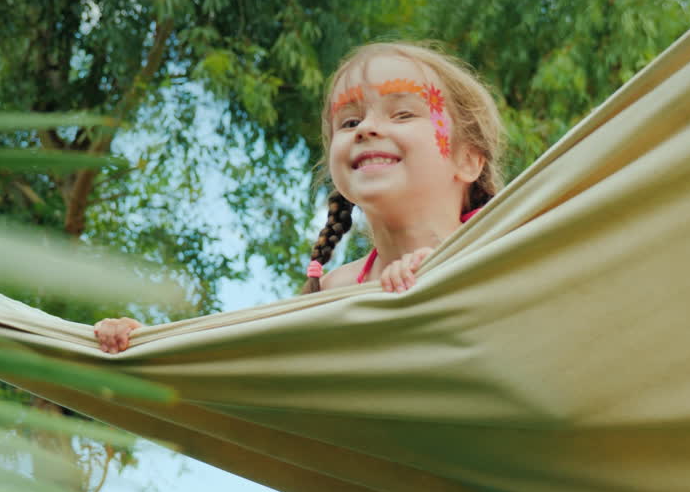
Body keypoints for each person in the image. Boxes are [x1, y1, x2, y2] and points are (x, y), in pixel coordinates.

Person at [95, 40, 504, 350]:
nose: (366, 129)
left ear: (467, 160)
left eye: (402, 113)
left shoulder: (503, 245)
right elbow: (246, 353)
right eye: (349, 121)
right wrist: (151, 345)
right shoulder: (333, 291)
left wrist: (445, 270)